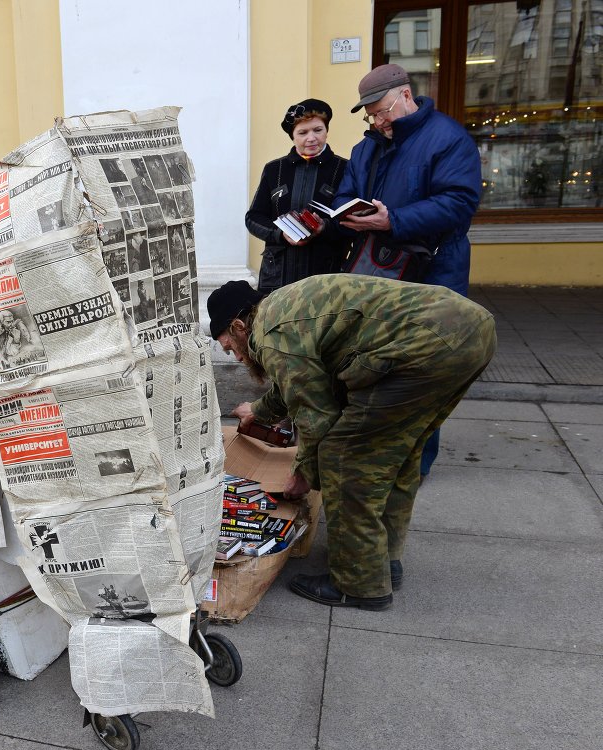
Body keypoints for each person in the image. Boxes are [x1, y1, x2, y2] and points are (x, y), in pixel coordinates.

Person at [208, 276, 496, 610]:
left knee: (344, 457)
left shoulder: (272, 337)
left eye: (230, 347)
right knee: (396, 453)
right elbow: (305, 382)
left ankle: (359, 585)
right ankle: (384, 561)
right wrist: (259, 411)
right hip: (469, 330)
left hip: (426, 347)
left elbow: (316, 415)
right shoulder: (280, 310)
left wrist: (304, 474)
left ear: (239, 325)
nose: (237, 358)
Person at [335, 64, 483, 477]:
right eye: (369, 115)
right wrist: (345, 214)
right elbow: (347, 193)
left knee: (424, 370)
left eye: (381, 110)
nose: (376, 121)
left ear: (405, 95)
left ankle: (414, 466)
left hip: (434, 270)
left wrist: (392, 220)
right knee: (373, 363)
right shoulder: (366, 147)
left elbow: (458, 203)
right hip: (376, 268)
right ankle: (374, 453)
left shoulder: (447, 138)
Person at [245, 99, 348, 292]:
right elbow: (253, 218)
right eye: (302, 132)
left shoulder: (343, 169)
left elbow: (351, 223)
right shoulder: (274, 169)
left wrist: (324, 228)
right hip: (277, 278)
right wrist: (280, 234)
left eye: (318, 130)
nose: (311, 138)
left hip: (325, 279)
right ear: (292, 136)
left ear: (327, 130)